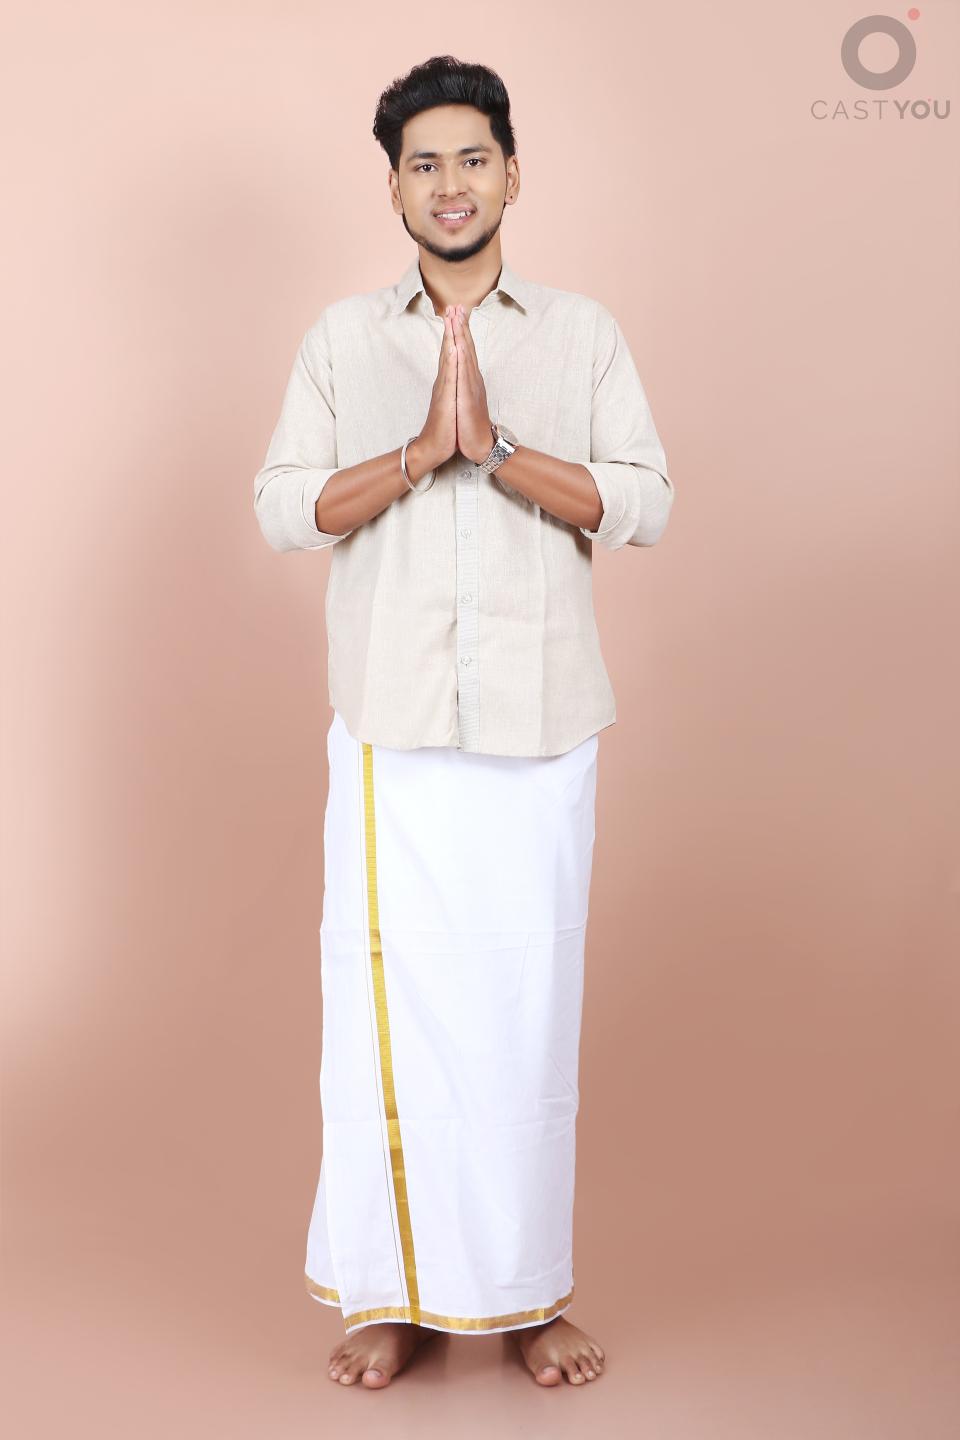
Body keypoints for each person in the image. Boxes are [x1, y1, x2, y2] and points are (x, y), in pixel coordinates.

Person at [253, 54, 674, 1391]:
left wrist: (494, 452)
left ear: (511, 175)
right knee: (385, 1017)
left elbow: (646, 501)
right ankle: (393, 1295)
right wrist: (415, 456)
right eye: (424, 163)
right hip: (392, 731)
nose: (451, 184)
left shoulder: (582, 334)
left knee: (521, 1020)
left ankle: (525, 1295)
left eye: (472, 159)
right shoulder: (341, 340)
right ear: (394, 188)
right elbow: (282, 511)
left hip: (541, 732)